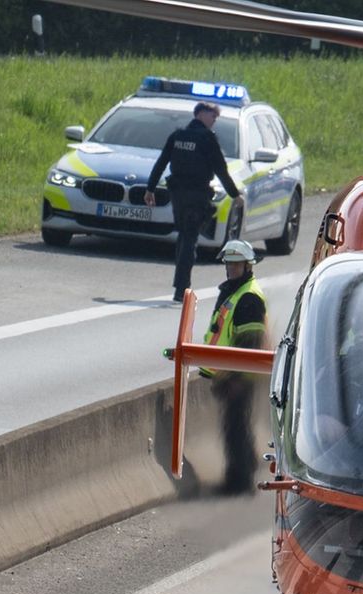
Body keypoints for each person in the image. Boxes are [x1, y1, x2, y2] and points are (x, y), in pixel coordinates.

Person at [145, 101, 243, 302]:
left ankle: (180, 284)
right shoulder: (207, 139)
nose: (214, 120)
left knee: (184, 236)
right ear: (200, 114)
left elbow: (161, 163)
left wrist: (150, 188)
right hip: (197, 194)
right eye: (212, 116)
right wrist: (235, 195)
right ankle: (182, 288)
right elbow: (220, 170)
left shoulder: (177, 135)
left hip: (178, 194)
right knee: (190, 239)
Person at [202, 239, 267, 495]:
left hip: (239, 377)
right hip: (231, 373)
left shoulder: (248, 297)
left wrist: (236, 380)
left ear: (248, 266)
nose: (230, 269)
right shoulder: (234, 291)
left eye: (235, 265)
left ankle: (238, 484)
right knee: (238, 427)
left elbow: (250, 343)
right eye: (228, 264)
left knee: (235, 429)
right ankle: (244, 473)